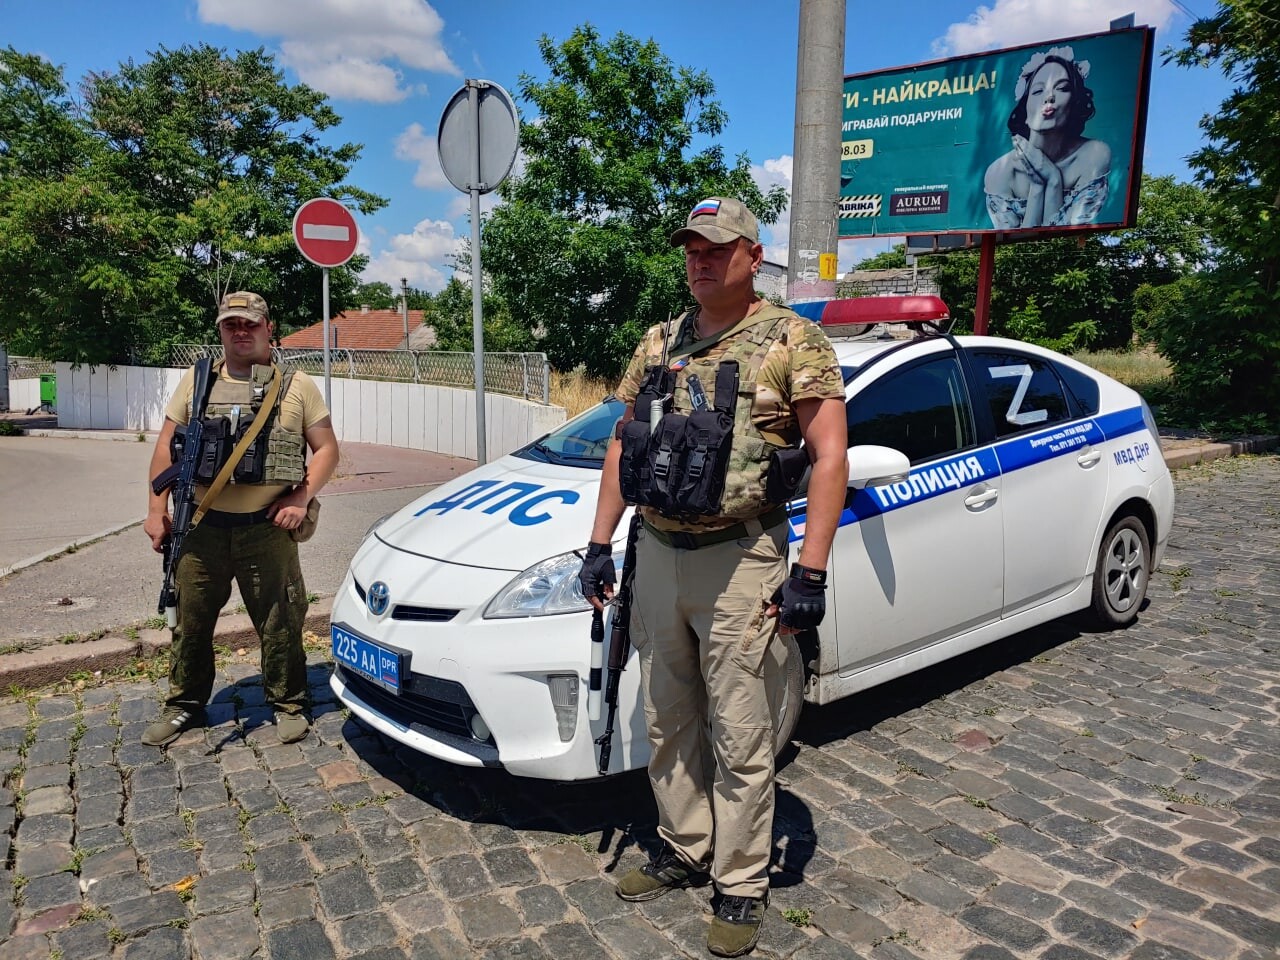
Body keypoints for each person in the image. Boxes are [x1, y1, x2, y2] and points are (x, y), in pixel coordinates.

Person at [578, 197, 848, 957]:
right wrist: (599, 545)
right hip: (658, 554)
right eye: (692, 248)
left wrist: (812, 573)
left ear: (752, 257)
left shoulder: (794, 340)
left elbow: (831, 456)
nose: (700, 259)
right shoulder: (659, 341)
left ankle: (739, 881)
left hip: (742, 560)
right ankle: (683, 846)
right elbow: (620, 443)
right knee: (666, 716)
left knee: (740, 730)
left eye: (717, 248)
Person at [142, 291, 339, 747]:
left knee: (281, 619)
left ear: (269, 328)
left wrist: (301, 495)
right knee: (189, 623)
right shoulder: (197, 381)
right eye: (232, 325)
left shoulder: (296, 386)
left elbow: (327, 449)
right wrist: (156, 511)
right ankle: (184, 705)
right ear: (221, 331)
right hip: (200, 529)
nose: (241, 332)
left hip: (266, 530)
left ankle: (289, 702)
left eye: (250, 324)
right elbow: (164, 449)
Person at [984, 45, 1111, 229]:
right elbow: (1018, 248)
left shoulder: (1094, 155)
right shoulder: (1000, 172)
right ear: (1024, 109)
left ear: (1074, 102)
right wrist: (1037, 186)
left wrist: (1053, 180)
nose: (1049, 96)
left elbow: (1060, 242)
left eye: (1062, 88)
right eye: (1037, 91)